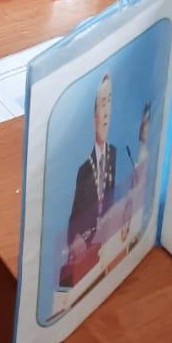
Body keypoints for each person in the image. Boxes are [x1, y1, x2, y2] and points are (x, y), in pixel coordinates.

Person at [67, 73, 117, 248]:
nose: (106, 113)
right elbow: (73, 224)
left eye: (109, 102)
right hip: (89, 249)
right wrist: (77, 239)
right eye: (102, 104)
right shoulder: (84, 170)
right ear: (94, 114)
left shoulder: (114, 154)